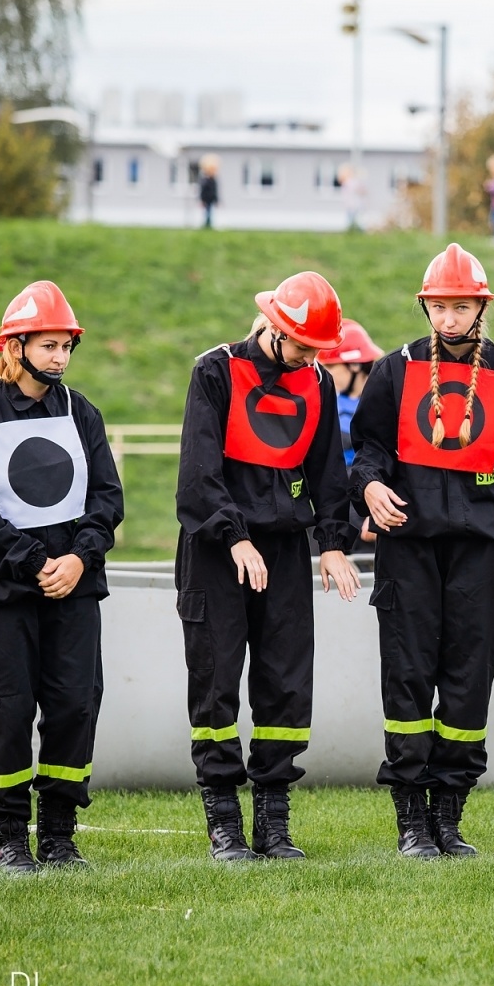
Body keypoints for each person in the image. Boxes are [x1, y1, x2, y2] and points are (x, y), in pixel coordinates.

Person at [350, 243, 494, 858]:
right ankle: (411, 823)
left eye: (462, 306)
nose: (450, 318)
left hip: (483, 554)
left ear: (480, 308)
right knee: (407, 679)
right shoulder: (393, 369)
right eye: (440, 306)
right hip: (407, 549)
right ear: (426, 306)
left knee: (467, 682)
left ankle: (449, 819)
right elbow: (368, 451)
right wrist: (372, 486)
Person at [177, 271, 361, 861]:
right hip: (216, 550)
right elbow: (198, 474)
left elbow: (331, 471)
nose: (312, 358)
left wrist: (332, 541)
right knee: (216, 683)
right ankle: (224, 825)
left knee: (285, 684)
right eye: (304, 345)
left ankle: (273, 825)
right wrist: (234, 537)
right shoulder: (214, 372)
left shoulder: (316, 382)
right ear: (274, 328)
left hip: (283, 551)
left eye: (319, 349)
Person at [0, 280, 125, 872]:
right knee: (2, 712)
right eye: (48, 345)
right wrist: (34, 562)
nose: (60, 357)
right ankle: (9, 840)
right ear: (15, 347)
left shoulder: (83, 413)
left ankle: (59, 835)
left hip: (72, 589)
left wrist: (77, 560)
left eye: (67, 346)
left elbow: (107, 501)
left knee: (76, 706)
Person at [319, 321, 386, 554]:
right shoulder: (326, 402)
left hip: (368, 515)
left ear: (355, 365)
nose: (323, 376)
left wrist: (377, 514)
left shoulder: (385, 406)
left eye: (330, 368)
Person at [198, 154, 220, 229]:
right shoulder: (205, 180)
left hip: (211, 199)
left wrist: (216, 200)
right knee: (207, 212)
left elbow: (215, 191)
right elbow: (203, 191)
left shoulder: (213, 180)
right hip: (206, 199)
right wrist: (202, 200)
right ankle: (207, 224)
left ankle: (209, 223)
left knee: (210, 212)